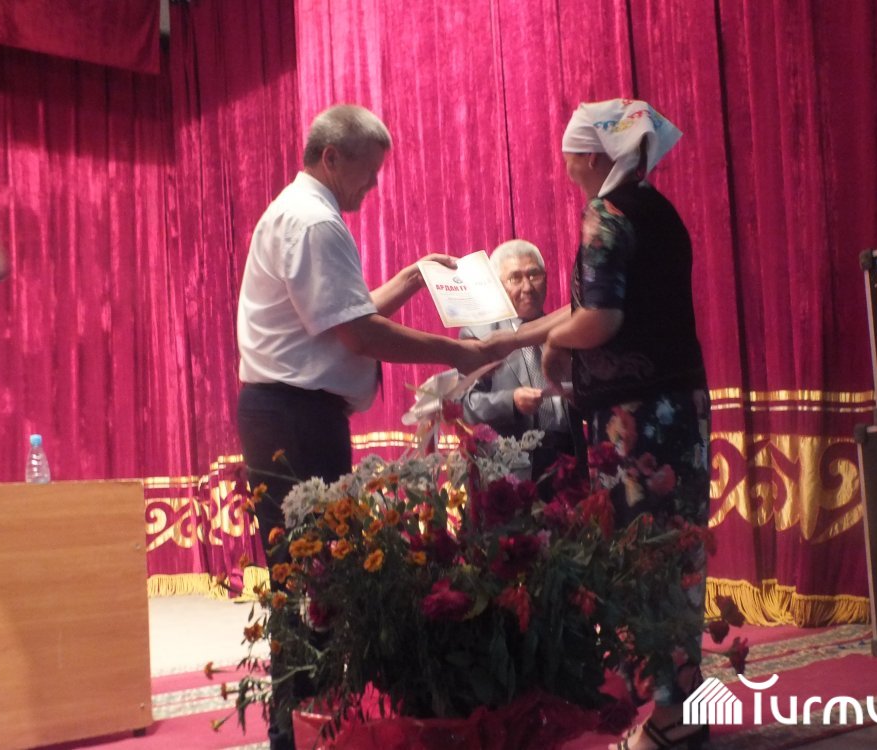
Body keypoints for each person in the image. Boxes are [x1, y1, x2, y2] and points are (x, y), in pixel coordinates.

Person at [235, 104, 515, 749]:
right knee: (311, 584)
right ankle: (297, 733)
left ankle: (304, 729)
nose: (374, 184)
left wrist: (415, 277)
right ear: (332, 156)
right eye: (369, 169)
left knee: (312, 580)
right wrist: (457, 352)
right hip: (295, 418)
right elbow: (358, 333)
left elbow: (341, 315)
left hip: (289, 413)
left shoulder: (302, 211)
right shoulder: (313, 221)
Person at [541, 98, 711, 750]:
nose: (564, 168)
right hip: (679, 410)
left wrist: (546, 340)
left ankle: (668, 719)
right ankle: (685, 706)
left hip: (635, 422)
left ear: (589, 155)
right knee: (677, 555)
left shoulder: (606, 214)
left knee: (645, 562)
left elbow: (600, 319)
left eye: (567, 156)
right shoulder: (659, 210)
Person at [459, 239, 585, 482]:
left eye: (534, 275)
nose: (527, 287)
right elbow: (465, 404)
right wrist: (512, 401)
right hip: (512, 469)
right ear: (497, 286)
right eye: (515, 278)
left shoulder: (566, 331)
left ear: (546, 279)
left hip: (569, 461)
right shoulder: (480, 337)